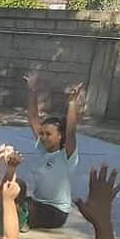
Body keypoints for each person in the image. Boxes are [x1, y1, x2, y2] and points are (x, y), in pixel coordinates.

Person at [23, 74, 82, 229]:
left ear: (60, 135)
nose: (42, 137)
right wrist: (32, 90)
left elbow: (70, 131)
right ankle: (20, 219)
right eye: (42, 134)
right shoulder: (43, 150)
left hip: (56, 212)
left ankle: (21, 221)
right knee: (15, 189)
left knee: (23, 210)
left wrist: (72, 103)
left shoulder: (66, 156)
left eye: (48, 134)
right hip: (37, 203)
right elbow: (33, 117)